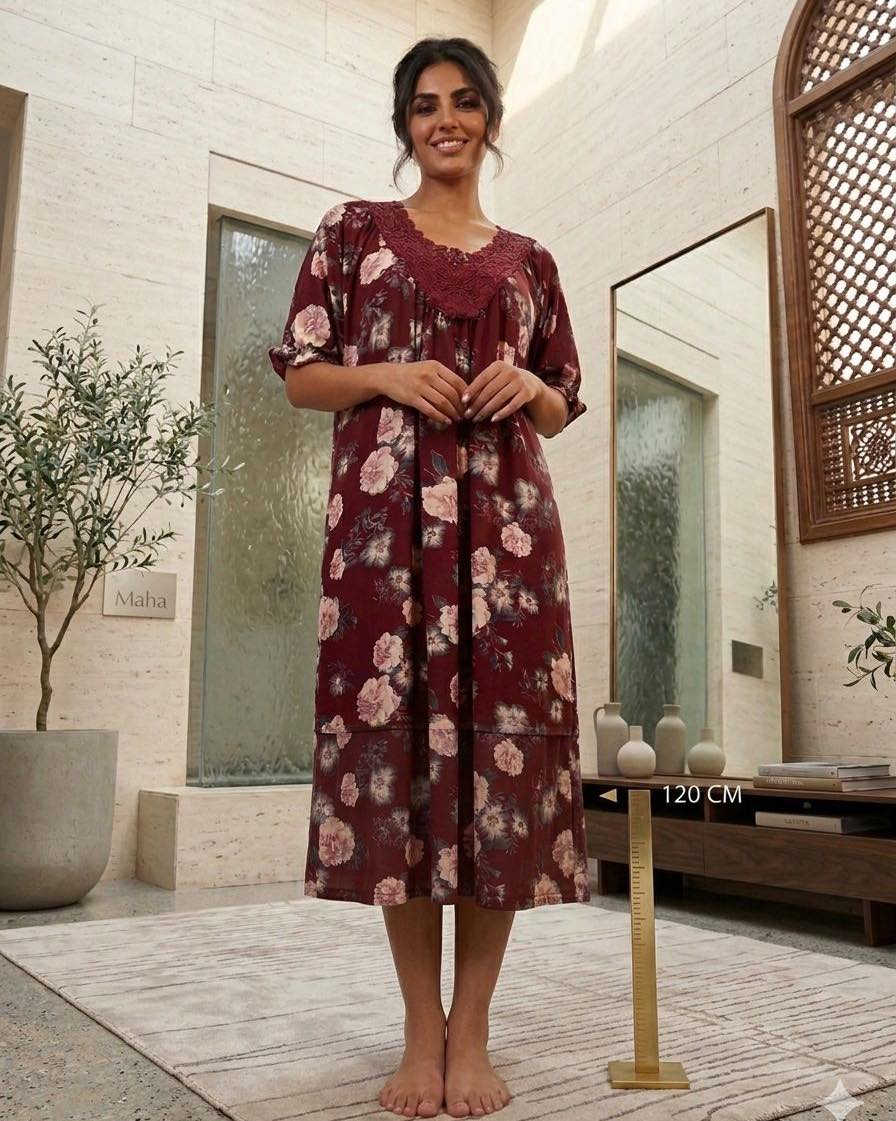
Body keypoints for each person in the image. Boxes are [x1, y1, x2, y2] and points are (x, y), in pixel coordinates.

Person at [268, 35, 590, 1120]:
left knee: (501, 771)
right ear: (405, 126)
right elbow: (301, 376)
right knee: (398, 768)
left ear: (489, 118)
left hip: (510, 545)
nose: (443, 119)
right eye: (422, 105)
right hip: (383, 540)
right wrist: (388, 374)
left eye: (462, 101)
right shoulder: (351, 232)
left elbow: (561, 397)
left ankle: (472, 1030)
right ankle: (419, 1031)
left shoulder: (533, 262)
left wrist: (525, 387)